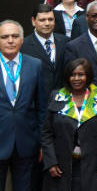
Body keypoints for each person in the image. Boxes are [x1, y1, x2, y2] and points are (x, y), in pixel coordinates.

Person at [41, 58, 97, 191]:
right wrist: (51, 163)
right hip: (62, 166)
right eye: (72, 75)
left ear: (88, 76)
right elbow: (47, 133)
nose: (76, 78)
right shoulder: (57, 97)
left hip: (94, 166)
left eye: (81, 74)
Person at [0, 20, 45, 191]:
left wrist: (41, 142)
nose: (10, 40)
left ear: (22, 39)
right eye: (4, 37)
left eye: (14, 36)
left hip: (26, 142)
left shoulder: (35, 65)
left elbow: (41, 107)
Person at [22, 5, 70, 100]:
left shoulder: (66, 42)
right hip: (36, 103)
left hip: (63, 101)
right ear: (33, 21)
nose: (47, 23)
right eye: (42, 20)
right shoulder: (23, 46)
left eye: (50, 19)